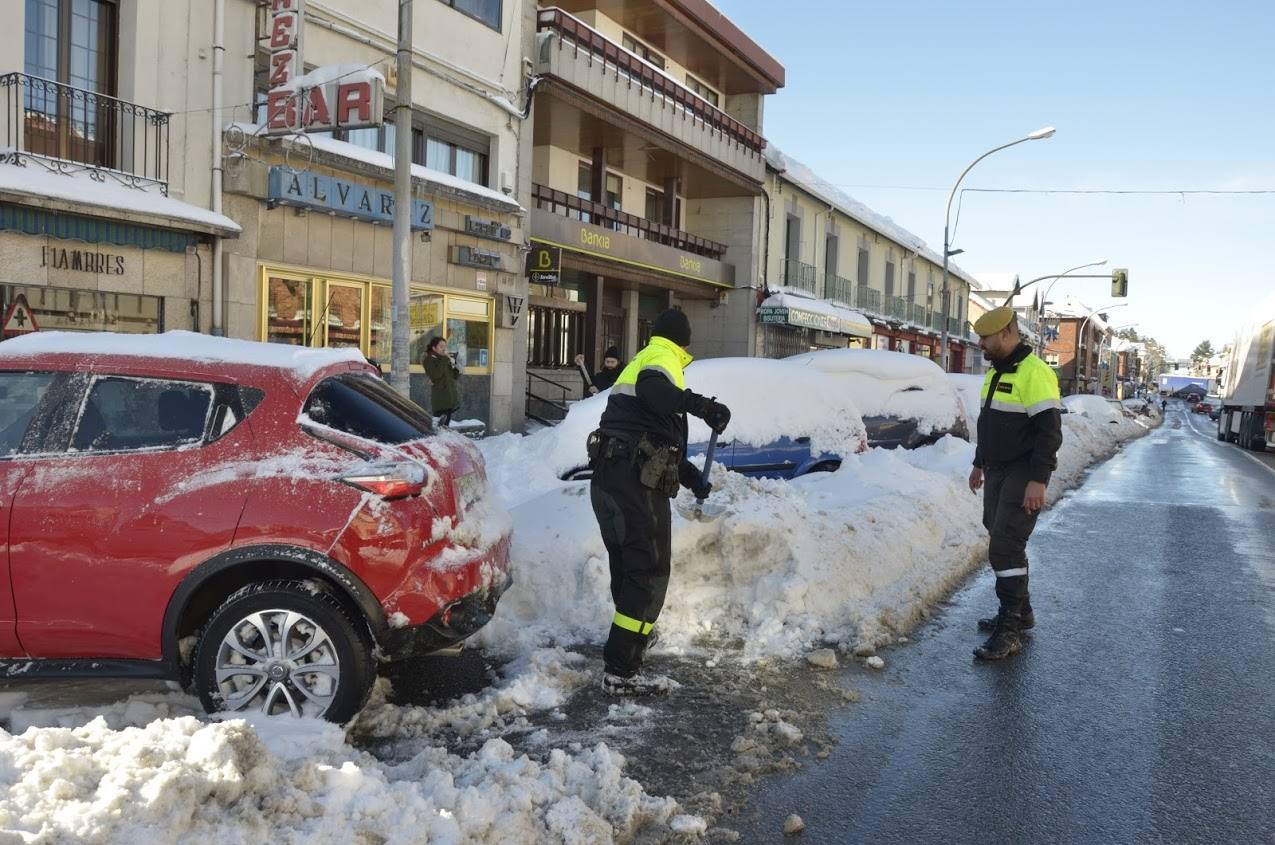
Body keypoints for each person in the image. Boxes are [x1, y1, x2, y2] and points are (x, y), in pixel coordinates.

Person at [587, 308, 731, 695]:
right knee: (647, 571)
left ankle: (632, 641)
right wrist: (703, 406)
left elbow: (653, 435)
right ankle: (621, 670)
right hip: (632, 485)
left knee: (629, 568)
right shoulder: (663, 360)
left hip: (609, 478)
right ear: (684, 342)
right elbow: (657, 391)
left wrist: (691, 478)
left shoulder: (641, 358)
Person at [967, 307, 1063, 661]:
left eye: (986, 338)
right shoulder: (996, 373)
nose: (980, 344)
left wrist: (1038, 479)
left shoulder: (1035, 372)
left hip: (1024, 469)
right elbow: (988, 423)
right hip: (996, 469)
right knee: (997, 531)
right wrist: (979, 463)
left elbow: (1049, 432)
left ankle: (1009, 630)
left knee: (1005, 545)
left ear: (1006, 334)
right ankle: (1021, 612)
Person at [423, 336, 460, 427]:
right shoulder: (429, 360)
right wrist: (445, 359)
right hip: (440, 400)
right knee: (439, 428)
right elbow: (436, 374)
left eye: (445, 346)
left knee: (444, 426)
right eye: (441, 346)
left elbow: (455, 376)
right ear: (434, 348)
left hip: (449, 397)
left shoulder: (444, 359)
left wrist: (454, 364)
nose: (444, 349)